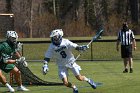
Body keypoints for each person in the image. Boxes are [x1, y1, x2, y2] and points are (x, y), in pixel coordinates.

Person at [42, 29, 97, 93]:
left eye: (55, 37)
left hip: (71, 62)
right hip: (61, 65)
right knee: (65, 83)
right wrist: (45, 65)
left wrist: (82, 47)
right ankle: (74, 87)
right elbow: (47, 57)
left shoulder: (66, 42)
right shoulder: (51, 46)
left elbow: (75, 46)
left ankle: (89, 80)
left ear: (60, 36)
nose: (54, 39)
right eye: (53, 37)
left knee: (79, 78)